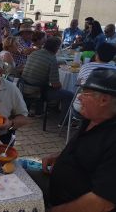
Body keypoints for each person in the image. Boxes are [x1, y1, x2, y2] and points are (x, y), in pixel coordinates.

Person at [29, 68, 116, 212]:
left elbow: (101, 203)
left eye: (85, 93)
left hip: (67, 206)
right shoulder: (93, 118)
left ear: (104, 100)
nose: (79, 97)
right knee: (15, 173)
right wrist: (58, 156)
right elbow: (86, 150)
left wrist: (56, 211)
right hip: (54, 187)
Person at [21, 37, 74, 122]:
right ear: (56, 48)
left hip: (23, 86)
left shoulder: (35, 53)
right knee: (69, 95)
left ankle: (41, 110)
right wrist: (61, 87)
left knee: (50, 88)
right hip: (37, 91)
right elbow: (55, 84)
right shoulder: (52, 59)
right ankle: (64, 122)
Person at [73, 43, 116, 112]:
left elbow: (78, 84)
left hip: (82, 106)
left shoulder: (86, 66)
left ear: (97, 54)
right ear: (112, 57)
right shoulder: (114, 69)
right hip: (106, 110)